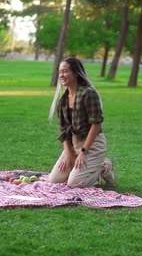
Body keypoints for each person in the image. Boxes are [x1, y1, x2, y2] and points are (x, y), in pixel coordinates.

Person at [48, 57, 115, 188]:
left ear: (76, 73)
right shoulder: (63, 101)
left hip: (93, 144)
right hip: (74, 144)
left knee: (73, 183)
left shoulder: (89, 93)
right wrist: (69, 154)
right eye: (60, 72)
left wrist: (83, 152)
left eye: (65, 71)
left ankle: (103, 168)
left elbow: (96, 125)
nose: (61, 75)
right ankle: (90, 168)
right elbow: (64, 131)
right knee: (55, 180)